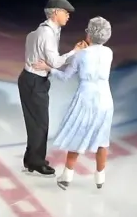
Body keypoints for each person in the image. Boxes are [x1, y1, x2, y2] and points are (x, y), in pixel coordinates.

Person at [32, 16, 113, 189]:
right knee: (102, 139)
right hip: (106, 99)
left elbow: (65, 76)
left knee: (78, 134)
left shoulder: (81, 55)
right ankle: (100, 177)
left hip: (86, 98)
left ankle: (67, 175)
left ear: (89, 34)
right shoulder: (108, 53)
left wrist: (49, 68)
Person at [18, 0, 87, 176]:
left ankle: (31, 158)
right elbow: (56, 62)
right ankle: (36, 161)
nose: (68, 16)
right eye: (65, 12)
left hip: (31, 79)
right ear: (56, 12)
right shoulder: (47, 33)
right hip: (34, 80)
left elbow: (29, 39)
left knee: (37, 123)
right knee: (40, 124)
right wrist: (75, 51)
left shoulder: (43, 30)